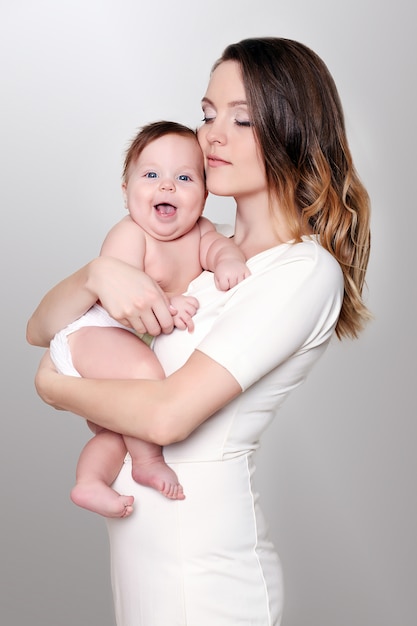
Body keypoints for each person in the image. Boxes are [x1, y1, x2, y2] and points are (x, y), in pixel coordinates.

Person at [27, 37, 371, 626]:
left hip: (205, 574)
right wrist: (98, 273)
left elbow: (166, 419)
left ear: (292, 130)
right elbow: (40, 328)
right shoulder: (195, 253)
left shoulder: (301, 272)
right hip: (145, 556)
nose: (211, 135)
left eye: (241, 119)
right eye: (208, 114)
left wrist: (54, 389)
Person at [49, 120, 251, 518]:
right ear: (127, 193)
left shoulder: (201, 232)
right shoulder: (130, 235)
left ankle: (90, 481)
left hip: (121, 344)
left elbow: (217, 250)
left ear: (205, 196)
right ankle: (147, 464)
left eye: (184, 177)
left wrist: (229, 261)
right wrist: (169, 302)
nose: (167, 186)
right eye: (152, 175)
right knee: (145, 376)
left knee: (119, 430)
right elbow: (121, 293)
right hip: (93, 333)